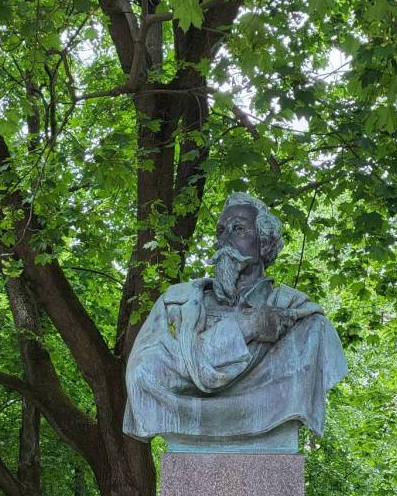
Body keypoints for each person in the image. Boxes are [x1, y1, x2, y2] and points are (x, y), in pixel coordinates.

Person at [123, 193, 347, 450]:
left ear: (265, 244)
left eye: (239, 229)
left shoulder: (304, 323)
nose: (224, 240)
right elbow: (144, 375)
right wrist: (243, 328)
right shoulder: (175, 305)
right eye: (221, 231)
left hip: (274, 427)